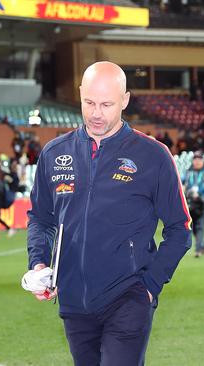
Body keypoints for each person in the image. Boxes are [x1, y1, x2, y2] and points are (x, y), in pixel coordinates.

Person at [25, 61, 192, 366]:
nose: (96, 113)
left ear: (125, 100)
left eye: (106, 104)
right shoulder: (54, 153)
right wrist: (38, 264)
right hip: (73, 299)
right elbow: (41, 218)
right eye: (89, 102)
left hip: (129, 297)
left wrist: (151, 286)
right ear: (80, 94)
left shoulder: (153, 155)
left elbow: (180, 229)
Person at [182, 151, 204, 258]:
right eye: (195, 159)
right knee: (193, 227)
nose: (197, 161)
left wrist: (200, 191)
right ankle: (203, 246)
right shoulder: (188, 172)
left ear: (203, 161)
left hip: (202, 202)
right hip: (190, 203)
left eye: (199, 159)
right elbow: (181, 182)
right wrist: (182, 187)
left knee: (200, 226)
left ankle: (198, 250)